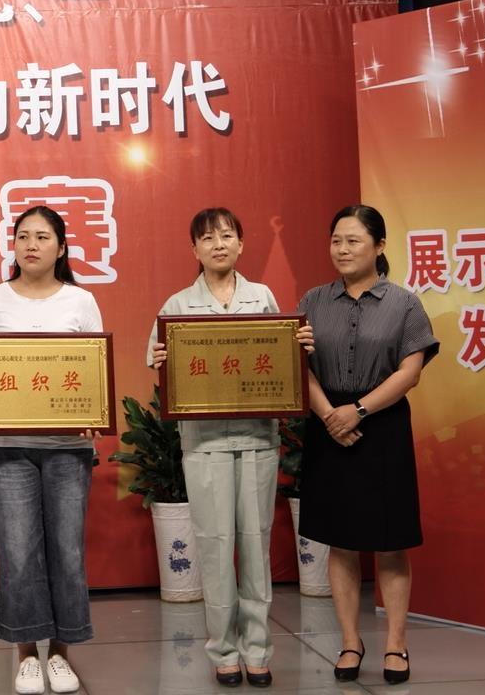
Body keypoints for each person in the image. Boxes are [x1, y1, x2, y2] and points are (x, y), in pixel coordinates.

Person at [146, 207, 314, 689]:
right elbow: (155, 359)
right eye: (207, 238)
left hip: (257, 438)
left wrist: (300, 344)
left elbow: (281, 359)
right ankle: (223, 651)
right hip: (203, 445)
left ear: (241, 244)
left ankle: (257, 649)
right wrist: (159, 355)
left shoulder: (262, 297)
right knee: (215, 547)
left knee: (255, 545)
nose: (218, 244)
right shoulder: (178, 305)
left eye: (226, 235)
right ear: (194, 249)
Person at [0, 205, 101, 695]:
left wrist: (95, 407)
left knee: (67, 551)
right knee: (18, 551)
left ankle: (61, 653)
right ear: (13, 245)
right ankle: (24, 654)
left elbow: (94, 369)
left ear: (61, 248)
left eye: (43, 237)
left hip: (67, 448)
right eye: (23, 236)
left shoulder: (81, 301)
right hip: (9, 447)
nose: (32, 245)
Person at [297, 205, 438, 686]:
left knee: (391, 542)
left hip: (382, 425)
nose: (342, 249)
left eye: (353, 241)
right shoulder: (313, 301)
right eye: (336, 240)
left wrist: (356, 412)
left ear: (379, 246)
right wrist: (329, 415)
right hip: (327, 424)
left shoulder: (405, 304)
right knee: (340, 541)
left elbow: (410, 372)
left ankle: (396, 643)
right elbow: (299, 366)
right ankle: (350, 641)